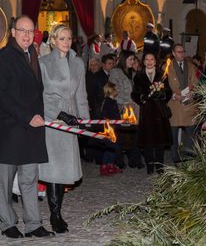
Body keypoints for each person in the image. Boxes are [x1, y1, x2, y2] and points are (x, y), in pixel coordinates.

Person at [0, 15, 54, 238]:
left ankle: (33, 224)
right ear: (13, 33)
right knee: (3, 182)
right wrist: (26, 117)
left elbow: (36, 92)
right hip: (9, 129)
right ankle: (7, 223)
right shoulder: (4, 57)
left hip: (32, 129)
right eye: (22, 30)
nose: (27, 35)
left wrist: (42, 116)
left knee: (29, 179)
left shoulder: (33, 54)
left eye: (31, 31)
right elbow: (3, 96)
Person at [38, 24, 90, 233]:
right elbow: (41, 96)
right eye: (62, 38)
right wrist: (60, 115)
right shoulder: (43, 63)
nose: (66, 42)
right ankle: (55, 214)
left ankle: (57, 211)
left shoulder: (77, 63)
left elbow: (81, 95)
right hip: (53, 121)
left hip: (71, 123)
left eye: (69, 38)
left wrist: (84, 119)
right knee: (54, 169)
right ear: (53, 40)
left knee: (64, 170)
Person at [132, 53, 173, 174]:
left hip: (159, 111)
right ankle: (149, 166)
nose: (149, 62)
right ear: (143, 62)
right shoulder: (138, 76)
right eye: (147, 60)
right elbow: (134, 93)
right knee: (148, 141)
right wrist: (141, 97)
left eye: (152, 59)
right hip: (147, 112)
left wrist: (162, 94)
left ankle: (160, 166)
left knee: (160, 142)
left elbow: (168, 92)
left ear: (155, 62)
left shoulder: (162, 75)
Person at [109, 50, 144, 169]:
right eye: (130, 59)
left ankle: (135, 159)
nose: (133, 61)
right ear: (124, 59)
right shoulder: (115, 72)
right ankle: (119, 160)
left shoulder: (133, 73)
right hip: (123, 107)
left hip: (134, 107)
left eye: (134, 59)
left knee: (135, 134)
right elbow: (113, 90)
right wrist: (123, 104)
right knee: (121, 135)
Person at [168, 44, 198, 165]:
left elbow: (194, 83)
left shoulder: (190, 66)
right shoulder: (168, 67)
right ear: (173, 53)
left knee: (190, 132)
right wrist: (182, 93)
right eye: (179, 52)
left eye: (183, 51)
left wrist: (190, 93)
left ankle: (188, 155)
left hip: (189, 104)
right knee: (173, 134)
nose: (182, 54)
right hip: (175, 104)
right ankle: (175, 158)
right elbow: (171, 86)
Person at [99, 82, 123, 175]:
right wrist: (117, 119)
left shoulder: (112, 101)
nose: (118, 90)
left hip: (114, 128)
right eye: (116, 89)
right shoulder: (108, 102)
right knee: (110, 148)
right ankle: (105, 165)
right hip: (110, 129)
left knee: (112, 148)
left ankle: (110, 165)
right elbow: (108, 115)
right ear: (111, 90)